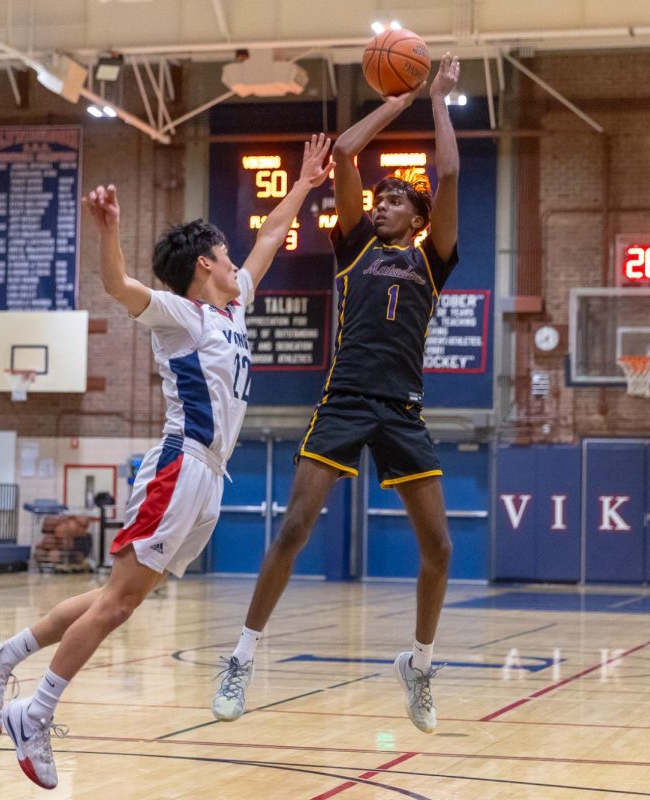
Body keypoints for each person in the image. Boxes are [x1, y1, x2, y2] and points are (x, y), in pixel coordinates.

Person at [0, 134, 333, 790]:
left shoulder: (232, 305)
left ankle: (1, 659)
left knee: (122, 596)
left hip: (210, 476)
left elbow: (273, 234)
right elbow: (119, 284)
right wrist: (108, 230)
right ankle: (35, 709)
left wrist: (305, 182)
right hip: (180, 465)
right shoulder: (182, 315)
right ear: (204, 267)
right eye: (225, 255)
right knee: (118, 603)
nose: (236, 261)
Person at [211, 56, 462, 735]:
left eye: (395, 200)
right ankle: (241, 656)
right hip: (344, 400)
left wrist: (437, 100)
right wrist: (397, 98)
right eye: (378, 199)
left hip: (403, 410)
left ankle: (420, 664)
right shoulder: (353, 249)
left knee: (438, 547)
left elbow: (453, 175)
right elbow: (347, 152)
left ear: (417, 216)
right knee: (293, 527)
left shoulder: (430, 262)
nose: (381, 205)